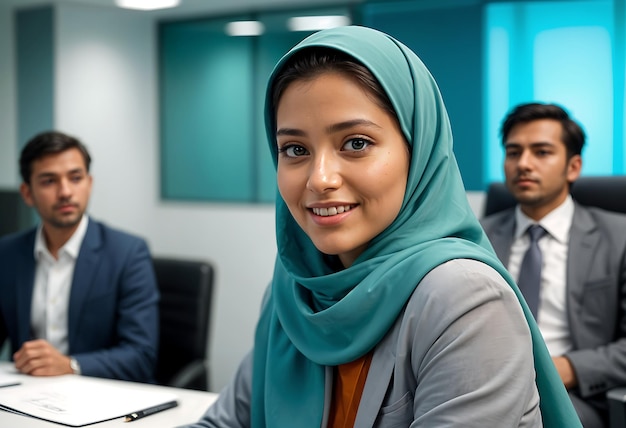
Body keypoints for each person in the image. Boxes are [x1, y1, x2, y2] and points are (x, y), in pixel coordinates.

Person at [185, 26, 581, 427]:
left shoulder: (465, 300)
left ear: (419, 150)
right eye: (295, 149)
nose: (319, 178)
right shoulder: (294, 290)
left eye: (356, 143)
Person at [481, 102, 626, 428]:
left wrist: (565, 368)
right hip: (487, 383)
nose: (524, 164)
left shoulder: (619, 237)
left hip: (572, 395)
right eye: (513, 152)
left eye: (542, 152)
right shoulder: (477, 239)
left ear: (573, 167)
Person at [0, 131, 159, 382]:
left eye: (75, 178)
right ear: (27, 193)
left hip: (105, 399)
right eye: (49, 181)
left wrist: (70, 365)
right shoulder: (7, 253)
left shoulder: (128, 253)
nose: (65, 192)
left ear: (89, 183)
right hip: (28, 397)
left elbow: (141, 356)